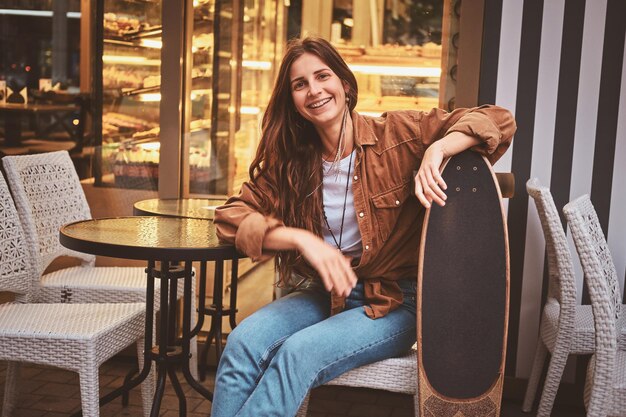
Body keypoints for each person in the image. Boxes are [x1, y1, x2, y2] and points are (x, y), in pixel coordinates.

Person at [212, 36, 516, 417]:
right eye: (300, 84)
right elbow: (230, 217)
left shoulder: (399, 135)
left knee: (296, 354)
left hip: (394, 302)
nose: (314, 91)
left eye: (323, 76)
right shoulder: (291, 162)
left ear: (344, 83)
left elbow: (499, 119)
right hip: (324, 294)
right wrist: (300, 239)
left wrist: (439, 149)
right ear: (291, 99)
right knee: (241, 343)